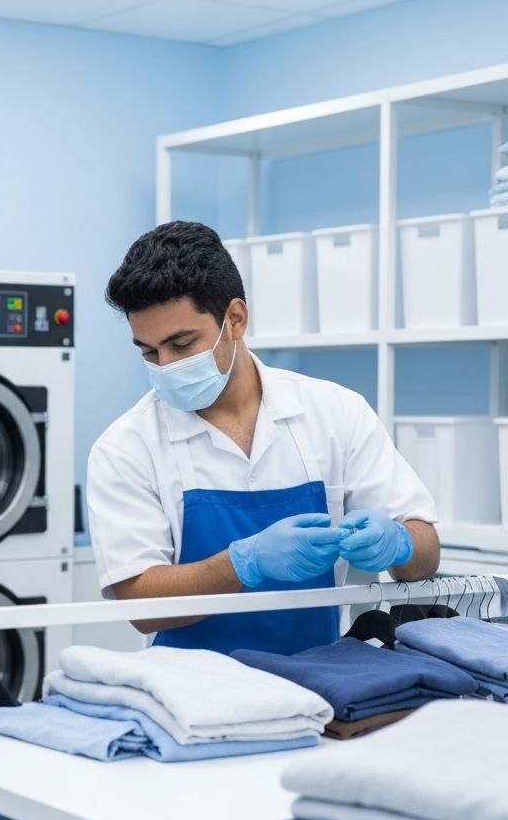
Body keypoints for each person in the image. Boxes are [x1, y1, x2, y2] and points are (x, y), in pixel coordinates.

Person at [87, 221, 439, 653]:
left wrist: (398, 544)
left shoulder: (333, 412)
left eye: (181, 345)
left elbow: (425, 548)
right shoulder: (126, 447)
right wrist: (244, 562)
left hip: (321, 689)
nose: (164, 365)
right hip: (188, 700)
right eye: (148, 351)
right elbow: (141, 606)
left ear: (235, 318)